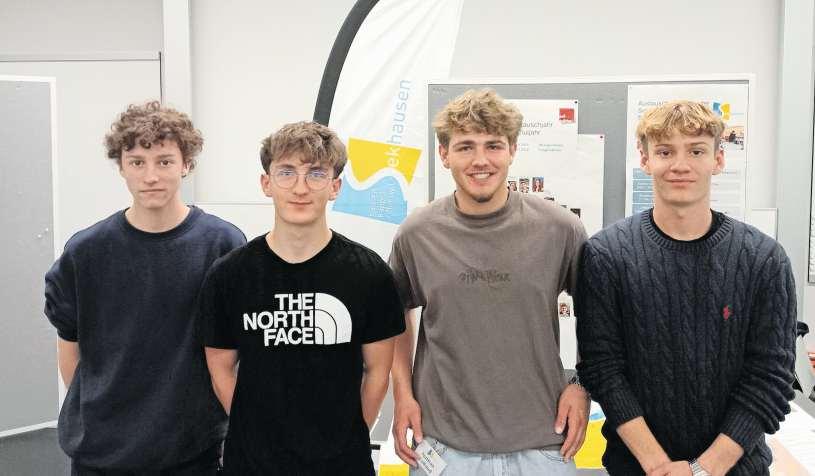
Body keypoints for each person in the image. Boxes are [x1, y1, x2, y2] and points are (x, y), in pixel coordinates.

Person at [575, 100, 797, 476]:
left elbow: (771, 376)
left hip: (735, 469)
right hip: (639, 469)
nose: (680, 165)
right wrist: (659, 466)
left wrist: (703, 469)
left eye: (696, 151)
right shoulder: (606, 255)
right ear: (645, 160)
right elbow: (603, 368)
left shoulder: (764, 259)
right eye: (665, 152)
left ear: (718, 159)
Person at [389, 89, 589, 475]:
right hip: (444, 448)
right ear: (444, 154)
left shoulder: (560, 229)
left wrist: (582, 385)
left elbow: (600, 317)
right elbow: (394, 314)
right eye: (465, 147)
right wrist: (403, 393)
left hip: (544, 444)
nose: (480, 160)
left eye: (493, 145)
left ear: (512, 150)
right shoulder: (417, 234)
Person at [44, 101, 246, 475]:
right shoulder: (86, 252)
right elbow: (70, 349)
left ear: (186, 164)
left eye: (164, 161)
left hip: (192, 454)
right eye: (137, 162)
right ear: (121, 167)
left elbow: (232, 354)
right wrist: (103, 419)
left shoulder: (222, 245)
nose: (150, 176)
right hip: (100, 455)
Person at [198, 121, 404, 475]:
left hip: (343, 467)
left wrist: (343, 438)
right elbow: (220, 370)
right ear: (266, 183)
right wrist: (257, 434)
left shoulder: (369, 273)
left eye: (316, 174)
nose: (300, 188)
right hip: (252, 466)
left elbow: (377, 373)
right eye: (286, 172)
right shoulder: (229, 275)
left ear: (335, 186)